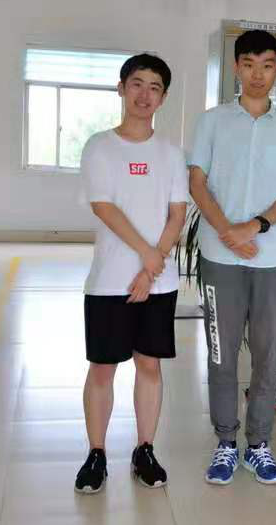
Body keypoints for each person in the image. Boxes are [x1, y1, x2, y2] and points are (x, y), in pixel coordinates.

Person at [188, 29, 276, 486]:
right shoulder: (212, 121)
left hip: (272, 258)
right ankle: (226, 441)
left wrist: (253, 226)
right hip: (220, 258)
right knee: (221, 354)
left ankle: (258, 444)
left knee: (267, 355)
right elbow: (197, 182)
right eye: (249, 65)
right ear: (236, 67)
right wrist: (227, 231)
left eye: (267, 65)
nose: (258, 74)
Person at [75, 53, 188, 493]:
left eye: (154, 87)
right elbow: (103, 206)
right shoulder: (99, 146)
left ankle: (145, 449)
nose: (145, 94)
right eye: (137, 84)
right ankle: (96, 453)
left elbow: (177, 214)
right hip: (110, 279)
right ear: (121, 88)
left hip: (158, 282)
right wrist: (148, 257)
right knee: (103, 368)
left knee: (149, 365)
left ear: (163, 97)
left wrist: (152, 268)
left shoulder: (171, 154)